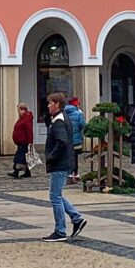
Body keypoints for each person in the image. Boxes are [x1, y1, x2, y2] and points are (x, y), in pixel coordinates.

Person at [44, 91, 84, 241]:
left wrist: (51, 156)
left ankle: (60, 230)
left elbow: (61, 142)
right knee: (57, 195)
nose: (48, 106)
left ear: (56, 104)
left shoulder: (59, 120)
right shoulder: (59, 118)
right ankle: (76, 217)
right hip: (63, 162)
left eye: (50, 103)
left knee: (55, 196)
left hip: (60, 163)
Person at [10, 104, 34, 178]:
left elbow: (29, 130)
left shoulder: (26, 118)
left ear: (22, 109)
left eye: (18, 110)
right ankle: (27, 172)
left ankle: (16, 171)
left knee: (19, 157)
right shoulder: (22, 118)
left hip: (24, 141)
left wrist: (30, 141)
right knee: (24, 157)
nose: (18, 112)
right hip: (21, 141)